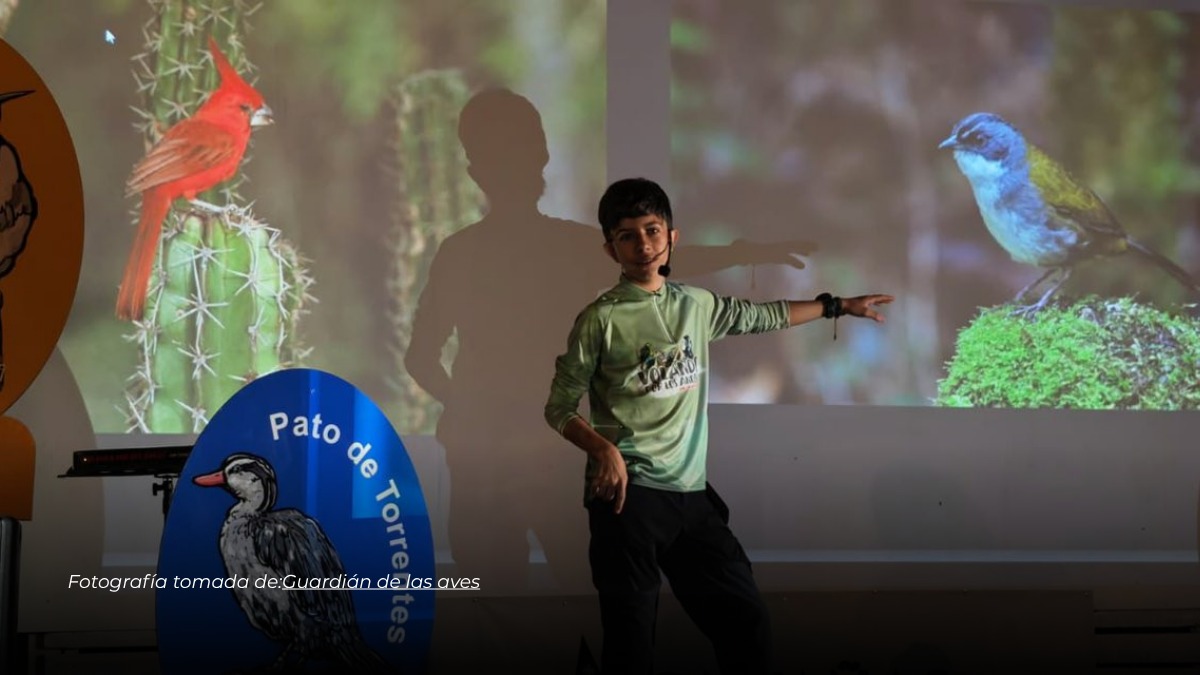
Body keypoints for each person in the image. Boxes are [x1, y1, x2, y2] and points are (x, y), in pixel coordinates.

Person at [544, 177, 893, 674]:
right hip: (628, 502)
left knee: (746, 626)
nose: (643, 244)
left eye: (652, 230)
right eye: (627, 236)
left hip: (691, 500)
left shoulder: (697, 305)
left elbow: (763, 316)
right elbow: (558, 408)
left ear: (671, 237)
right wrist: (603, 450)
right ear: (610, 249)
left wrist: (837, 306)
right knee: (630, 650)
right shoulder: (600, 319)